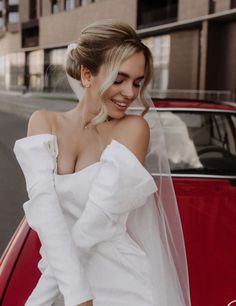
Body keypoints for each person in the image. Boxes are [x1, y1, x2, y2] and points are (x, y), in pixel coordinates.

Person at [13, 19, 191, 306]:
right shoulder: (43, 122)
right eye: (119, 80)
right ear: (86, 75)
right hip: (63, 282)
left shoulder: (133, 129)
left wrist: (52, 298)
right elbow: (45, 213)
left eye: (137, 82)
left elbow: (98, 221)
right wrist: (64, 295)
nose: (131, 93)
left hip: (123, 286)